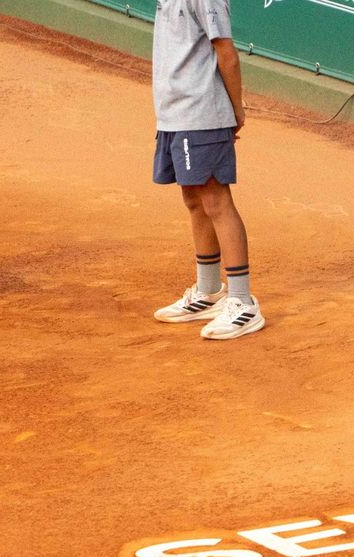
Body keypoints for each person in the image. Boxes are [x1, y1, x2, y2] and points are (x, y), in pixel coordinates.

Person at [150, 0, 265, 341]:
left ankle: (243, 303)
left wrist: (236, 109)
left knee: (215, 200)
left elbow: (226, 54)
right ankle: (209, 291)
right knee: (193, 199)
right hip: (174, 112)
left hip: (202, 112)